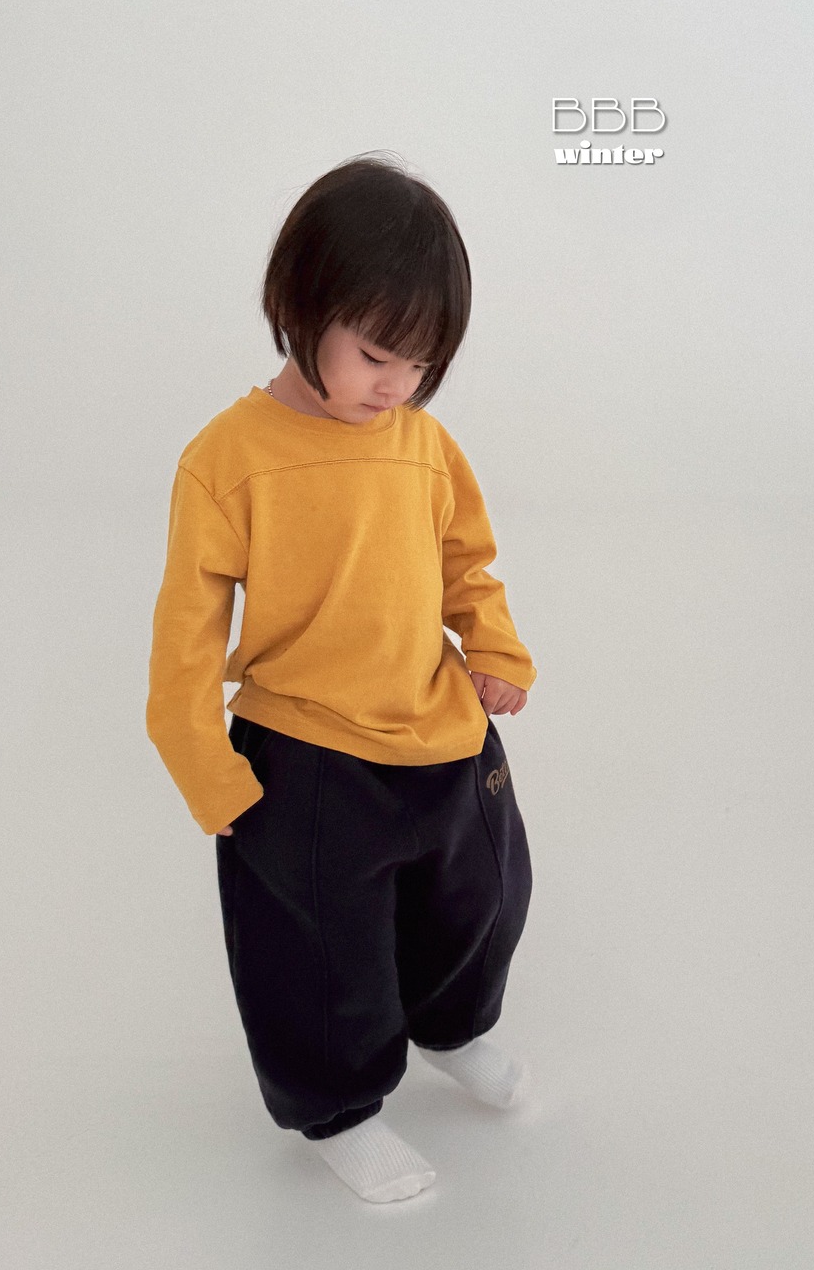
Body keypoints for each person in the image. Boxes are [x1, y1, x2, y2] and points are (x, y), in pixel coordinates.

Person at [145, 152, 537, 1204]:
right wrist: (208, 772)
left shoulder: (425, 445)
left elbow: (467, 561)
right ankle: (338, 1107)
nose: (395, 385)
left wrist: (494, 647)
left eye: (421, 364)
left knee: (483, 897)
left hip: (440, 728)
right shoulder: (228, 459)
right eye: (373, 355)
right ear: (300, 306)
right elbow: (186, 636)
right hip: (307, 750)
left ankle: (449, 1026)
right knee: (318, 951)